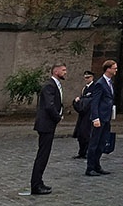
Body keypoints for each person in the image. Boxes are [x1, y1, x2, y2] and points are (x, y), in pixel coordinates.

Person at [30, 62, 67, 195]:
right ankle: (36, 184)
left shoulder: (54, 85)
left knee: (44, 154)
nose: (65, 72)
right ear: (55, 71)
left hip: (49, 125)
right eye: (63, 70)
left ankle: (39, 182)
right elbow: (49, 106)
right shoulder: (49, 86)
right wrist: (58, 117)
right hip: (45, 125)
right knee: (42, 155)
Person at [86, 59, 117, 175]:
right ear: (108, 69)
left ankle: (97, 165)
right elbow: (95, 102)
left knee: (102, 143)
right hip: (99, 118)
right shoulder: (100, 83)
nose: (116, 70)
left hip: (106, 117)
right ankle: (90, 167)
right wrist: (95, 118)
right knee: (94, 143)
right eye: (114, 68)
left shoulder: (110, 83)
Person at [71, 70, 96, 159]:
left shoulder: (94, 87)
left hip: (89, 114)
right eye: (85, 78)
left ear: (92, 77)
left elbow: (89, 100)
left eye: (88, 77)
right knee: (81, 134)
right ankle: (81, 152)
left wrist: (80, 101)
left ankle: (86, 152)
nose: (86, 79)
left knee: (87, 134)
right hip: (83, 114)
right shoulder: (84, 88)